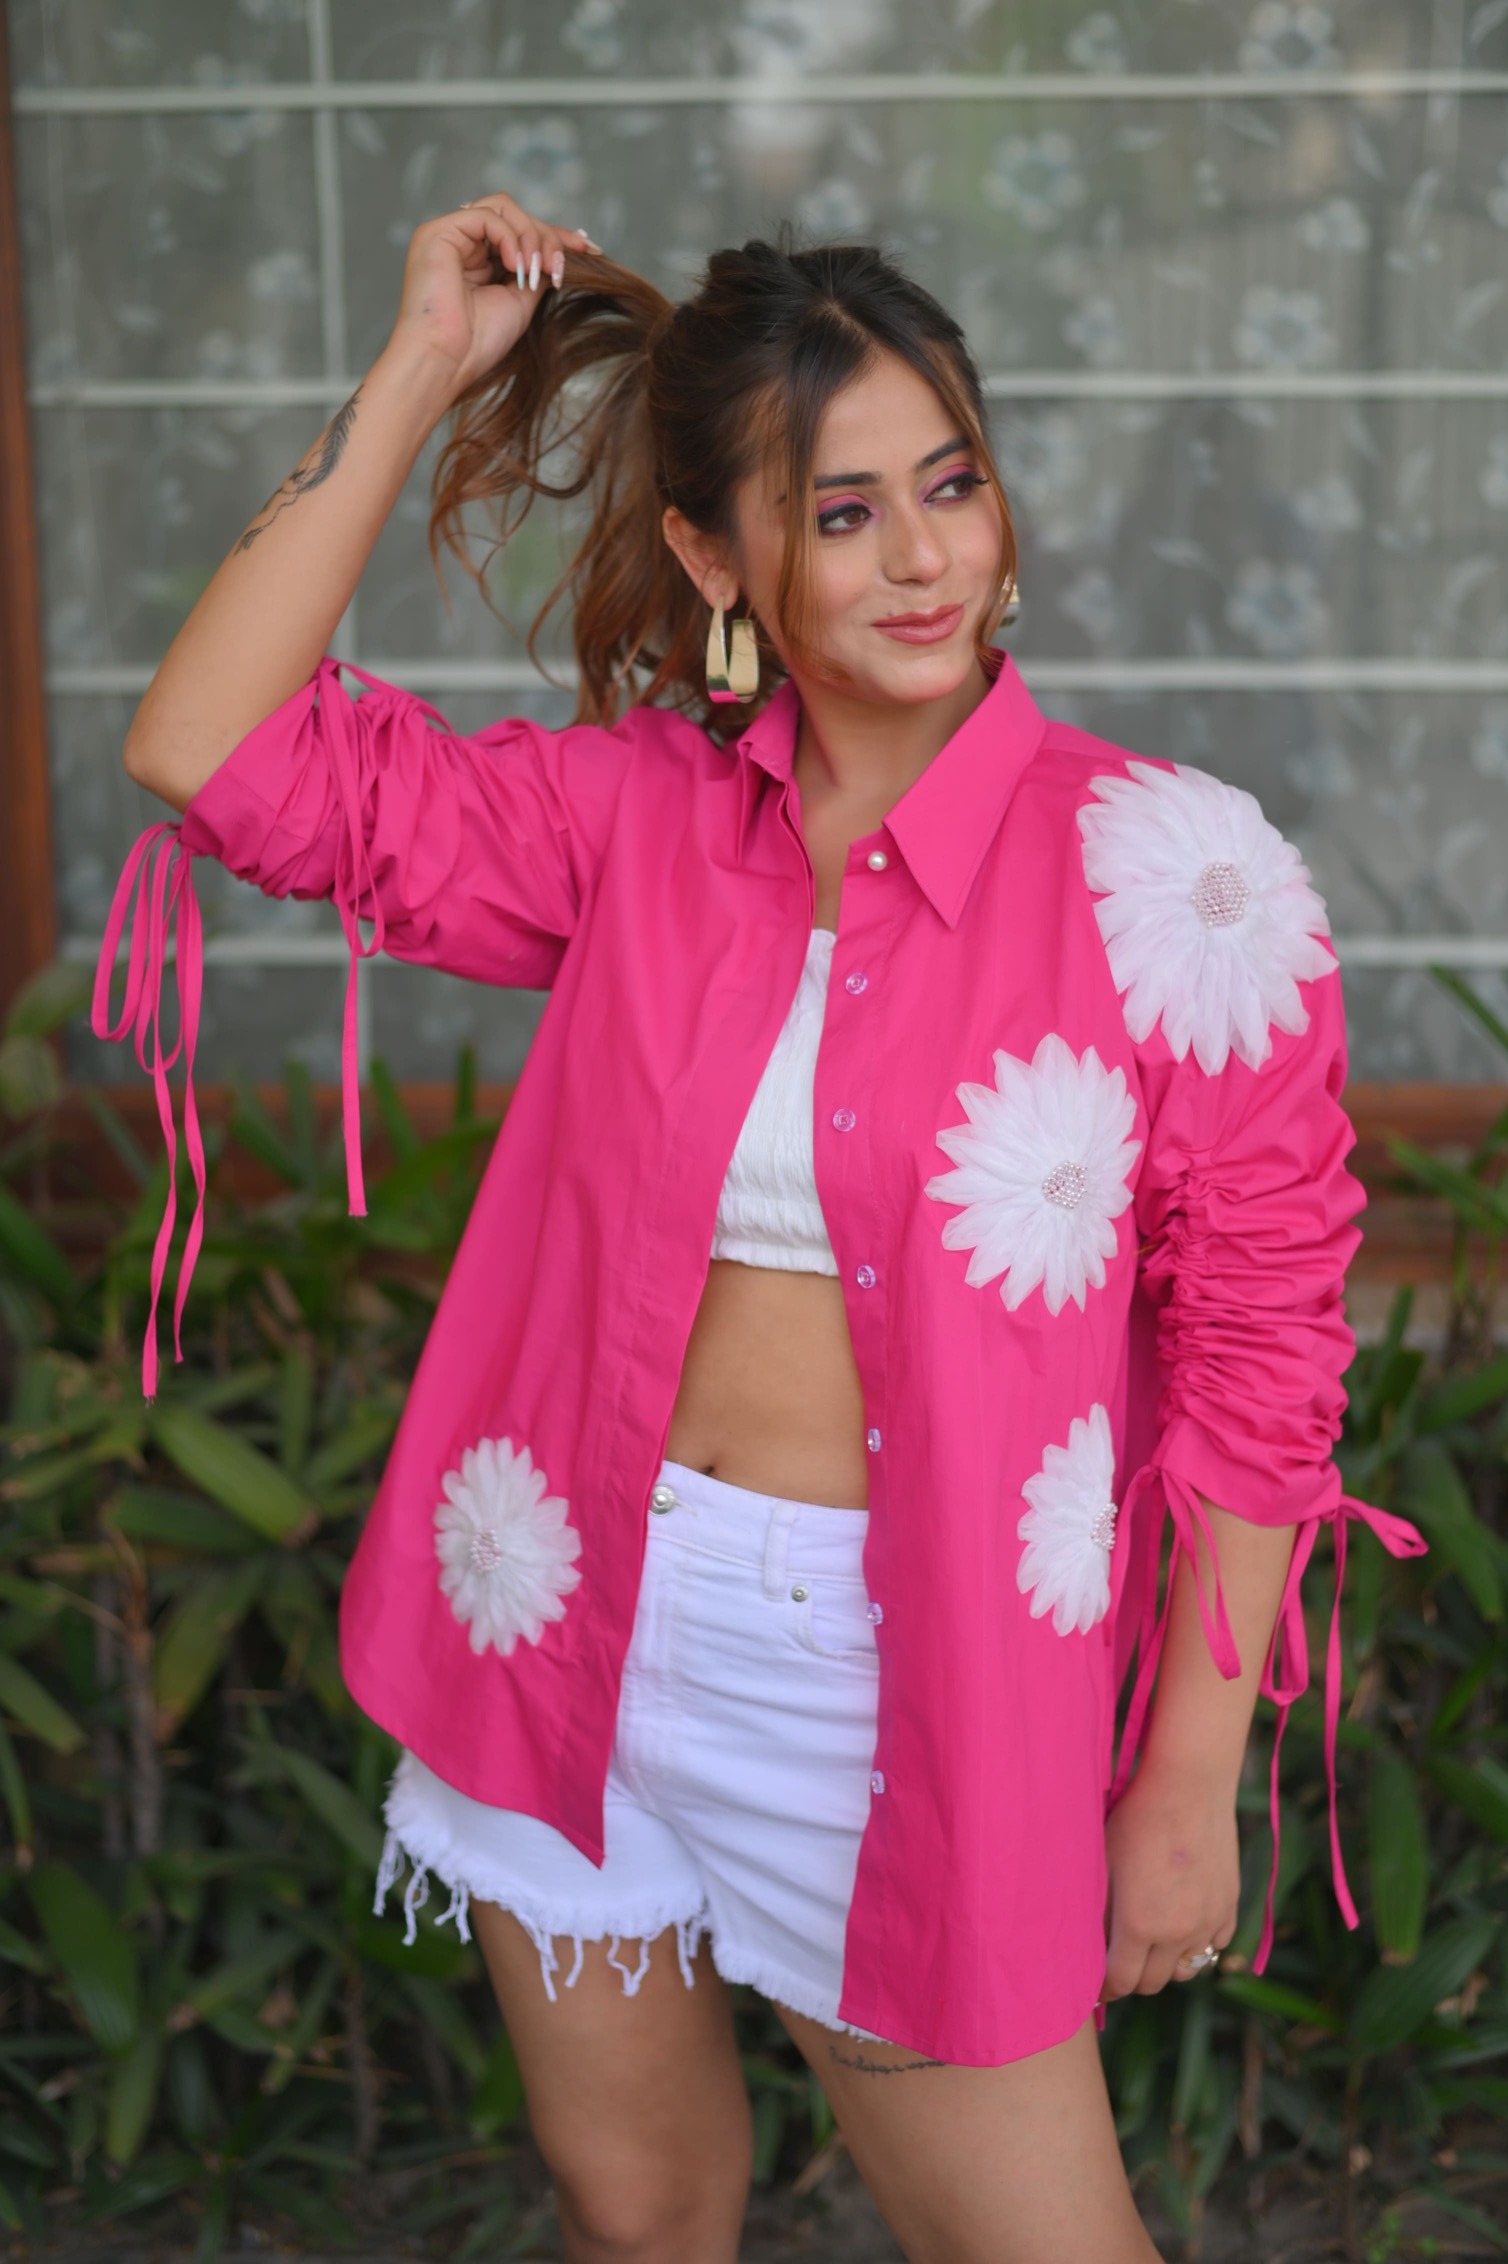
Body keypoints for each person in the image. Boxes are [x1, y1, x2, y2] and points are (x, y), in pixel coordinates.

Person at [95, 195, 1426, 2264]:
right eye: (842, 514)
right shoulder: (630, 819)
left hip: (903, 1682)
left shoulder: (1181, 887)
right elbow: (208, 748)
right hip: (570, 1612)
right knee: (638, 2209)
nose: (923, 560)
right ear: (716, 560)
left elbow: (1264, 1356)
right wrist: (421, 365)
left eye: (952, 487)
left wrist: (1184, 1778)